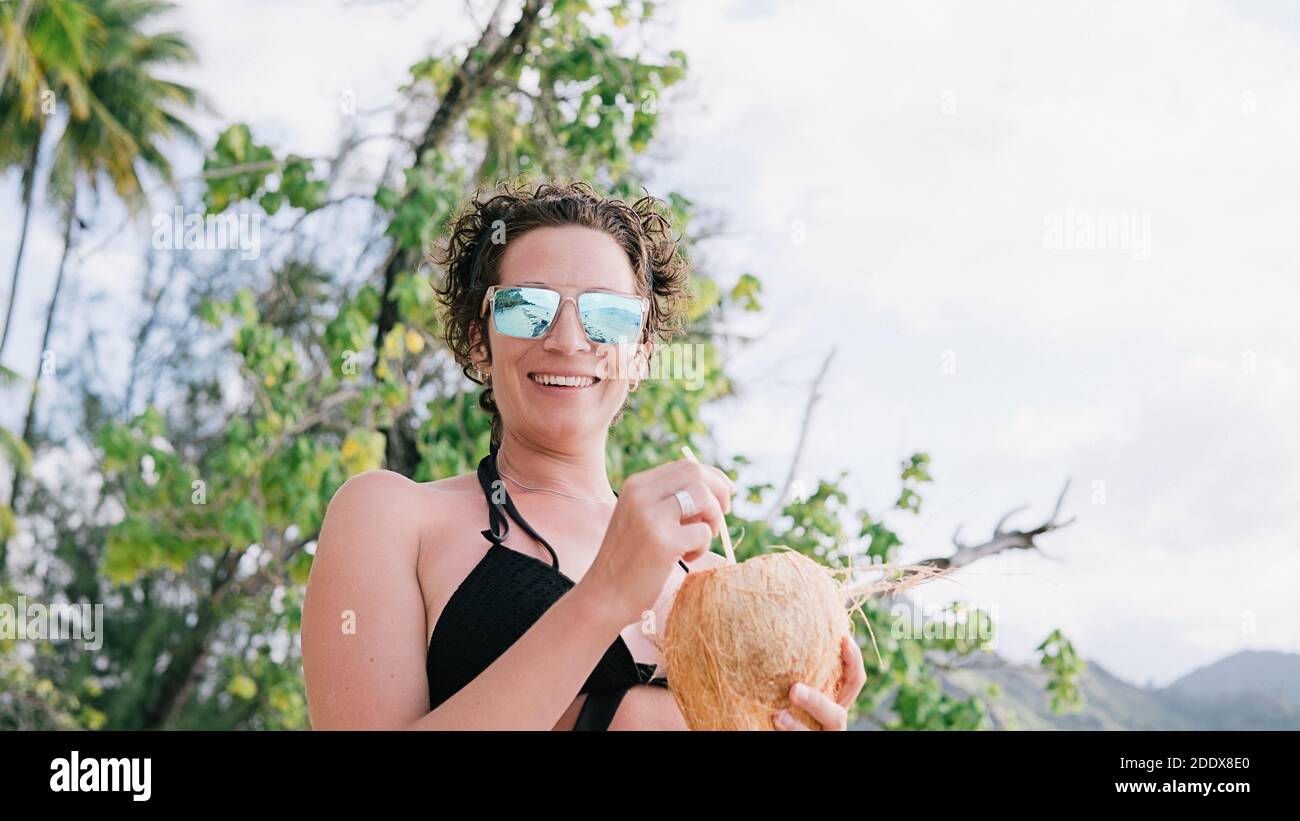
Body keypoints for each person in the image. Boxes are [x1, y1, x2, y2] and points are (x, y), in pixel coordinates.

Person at [300, 180, 866, 730]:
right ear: (479, 339)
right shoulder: (389, 516)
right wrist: (603, 598)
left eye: (610, 314)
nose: (568, 339)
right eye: (526, 307)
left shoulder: (715, 580)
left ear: (640, 354)